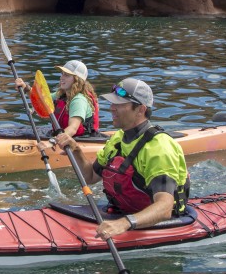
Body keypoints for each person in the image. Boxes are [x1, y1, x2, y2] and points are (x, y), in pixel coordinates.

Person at [54, 78, 189, 240]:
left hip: (158, 223)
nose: (111, 108)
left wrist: (123, 223)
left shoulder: (159, 147)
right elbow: (89, 177)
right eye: (112, 103)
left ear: (140, 109)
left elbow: (165, 207)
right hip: (124, 214)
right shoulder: (118, 138)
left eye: (119, 104)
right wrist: (76, 150)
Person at [15, 60, 99, 137]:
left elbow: (73, 129)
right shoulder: (62, 94)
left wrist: (52, 142)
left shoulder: (79, 100)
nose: (62, 77)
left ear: (77, 80)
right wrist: (26, 88)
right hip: (62, 135)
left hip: (79, 139)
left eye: (67, 75)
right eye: (62, 73)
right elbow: (42, 99)